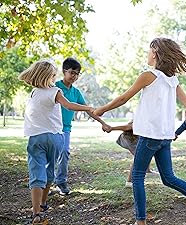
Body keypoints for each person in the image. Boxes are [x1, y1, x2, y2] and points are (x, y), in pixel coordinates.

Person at [94, 38, 186, 225]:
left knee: (137, 175)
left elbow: (123, 98)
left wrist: (102, 110)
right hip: (165, 138)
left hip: (150, 136)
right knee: (168, 178)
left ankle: (141, 221)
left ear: (155, 52)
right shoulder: (172, 80)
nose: (147, 53)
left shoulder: (148, 75)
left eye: (149, 50)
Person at [19, 60, 94, 224]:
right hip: (55, 137)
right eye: (54, 75)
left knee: (36, 173)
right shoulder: (55, 90)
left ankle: (36, 212)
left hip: (36, 138)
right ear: (49, 76)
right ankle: (44, 202)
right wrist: (89, 108)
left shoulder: (33, 93)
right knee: (50, 170)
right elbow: (68, 105)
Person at [54, 57, 110, 195]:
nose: (75, 76)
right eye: (72, 72)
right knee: (51, 156)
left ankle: (61, 181)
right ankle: (46, 183)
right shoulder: (54, 87)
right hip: (51, 128)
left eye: (77, 74)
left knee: (65, 152)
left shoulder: (76, 92)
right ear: (64, 71)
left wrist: (103, 123)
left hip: (65, 128)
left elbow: (87, 110)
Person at [102, 121, 158, 188]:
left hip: (136, 138)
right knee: (138, 158)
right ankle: (129, 182)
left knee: (146, 153)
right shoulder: (142, 117)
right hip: (129, 139)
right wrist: (111, 128)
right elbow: (127, 127)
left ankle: (147, 170)